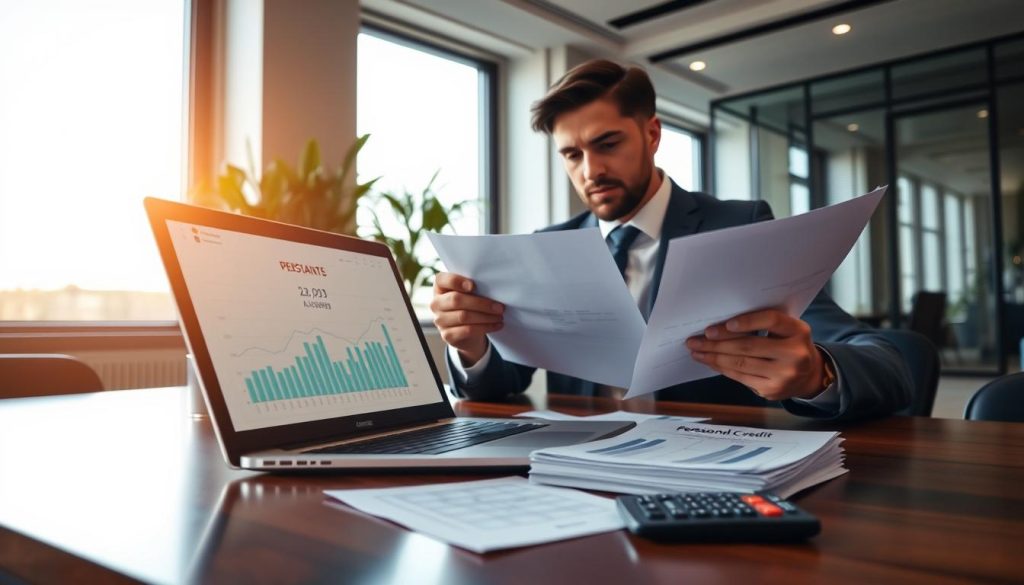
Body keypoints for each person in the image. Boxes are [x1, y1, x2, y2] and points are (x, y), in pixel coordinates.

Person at [430, 59, 912, 420]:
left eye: (608, 144)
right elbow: (501, 387)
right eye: (572, 154)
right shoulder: (549, 245)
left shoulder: (738, 225)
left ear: (653, 134)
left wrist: (817, 373)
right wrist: (471, 347)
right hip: (572, 472)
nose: (590, 170)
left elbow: (885, 362)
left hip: (708, 467)